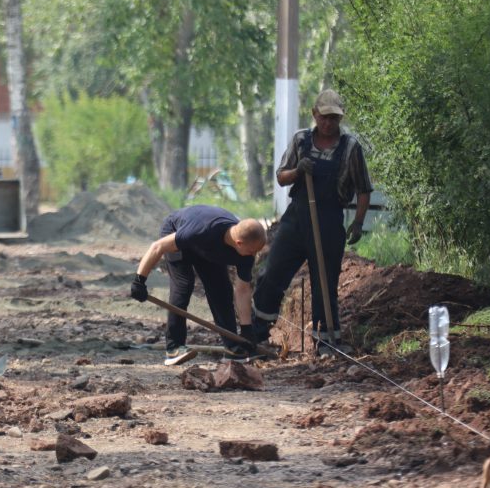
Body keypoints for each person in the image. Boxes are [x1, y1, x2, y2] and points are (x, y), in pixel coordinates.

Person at [250, 89, 373, 354]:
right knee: (271, 273)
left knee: (325, 283)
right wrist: (298, 170)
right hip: (296, 220)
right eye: (324, 117)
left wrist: (359, 222)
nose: (328, 123)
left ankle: (326, 341)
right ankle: (257, 333)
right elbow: (281, 177)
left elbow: (364, 189)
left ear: (340, 119)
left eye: (334, 119)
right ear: (314, 114)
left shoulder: (350, 147)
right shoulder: (300, 140)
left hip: (329, 221)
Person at [130, 206, 267, 365]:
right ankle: (174, 347)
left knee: (221, 290)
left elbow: (242, 290)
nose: (253, 256)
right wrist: (139, 280)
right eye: (252, 251)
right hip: (178, 231)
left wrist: (246, 329)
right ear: (239, 243)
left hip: (206, 246)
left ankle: (233, 348)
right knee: (183, 285)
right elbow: (157, 246)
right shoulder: (200, 231)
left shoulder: (245, 252)